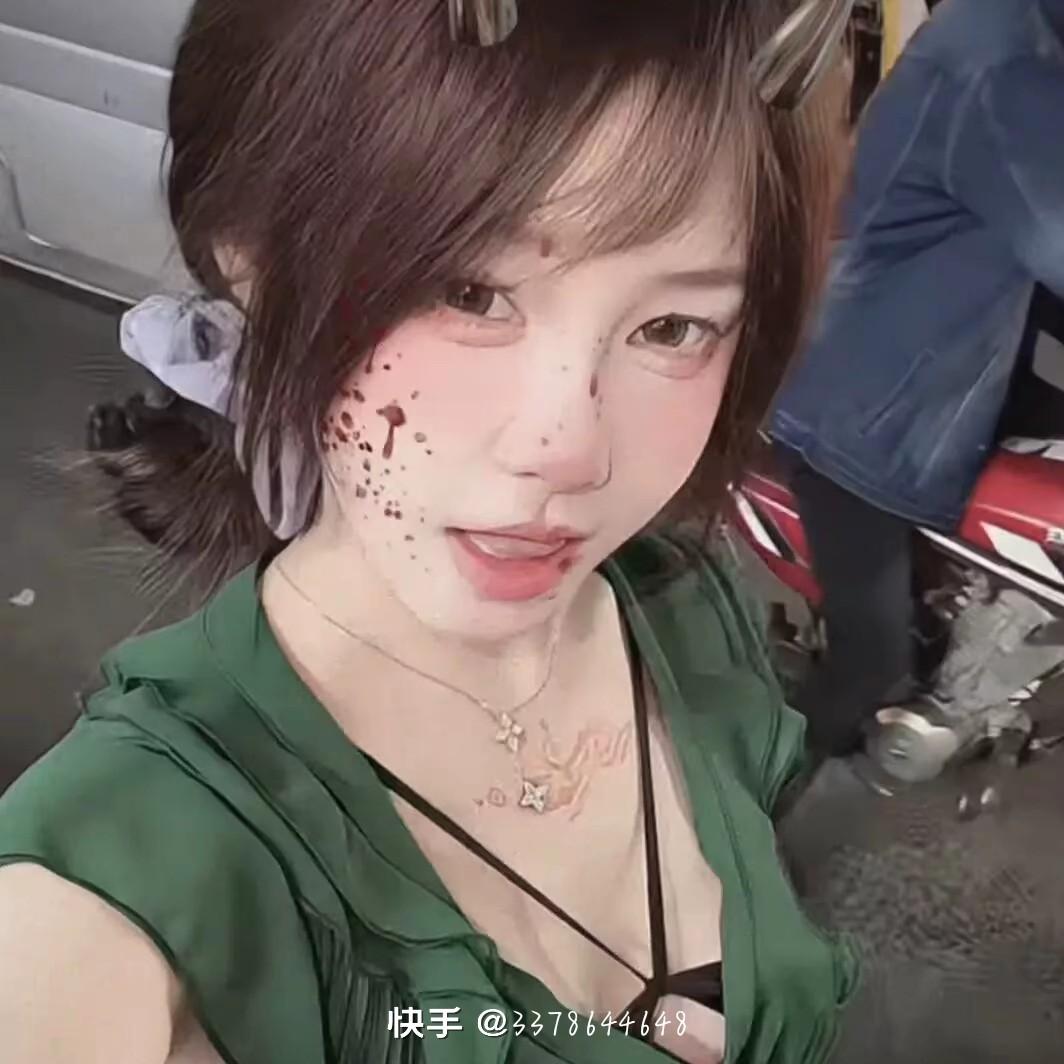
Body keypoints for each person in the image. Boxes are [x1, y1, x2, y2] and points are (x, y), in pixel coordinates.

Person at [0, 2, 858, 1063]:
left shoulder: (682, 602)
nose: (569, 448)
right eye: (470, 293)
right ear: (250, 262)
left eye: (671, 326)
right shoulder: (147, 860)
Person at [770, 0, 1064, 758]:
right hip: (862, 407)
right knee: (873, 667)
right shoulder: (1003, 66)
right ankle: (753, 802)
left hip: (953, 353)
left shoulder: (1027, 38)